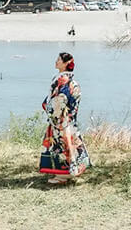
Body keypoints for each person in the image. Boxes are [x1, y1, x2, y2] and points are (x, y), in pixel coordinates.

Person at [39, 51, 90, 185]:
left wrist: (48, 108)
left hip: (61, 120)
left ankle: (63, 175)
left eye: (58, 59)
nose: (56, 61)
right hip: (70, 120)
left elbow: (59, 101)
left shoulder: (62, 81)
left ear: (66, 63)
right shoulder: (73, 82)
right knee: (71, 143)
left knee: (61, 146)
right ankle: (72, 169)